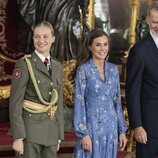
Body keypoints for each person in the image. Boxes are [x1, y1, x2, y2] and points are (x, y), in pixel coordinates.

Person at [9, 21, 64, 158]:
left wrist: (59, 135)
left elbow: (59, 103)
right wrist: (18, 137)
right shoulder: (24, 64)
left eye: (45, 36)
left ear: (53, 38)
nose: (41, 41)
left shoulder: (57, 66)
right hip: (30, 132)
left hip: (51, 132)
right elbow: (15, 103)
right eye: (36, 37)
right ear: (32, 39)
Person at [72, 29, 127, 158]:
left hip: (111, 129)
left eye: (105, 44)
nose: (103, 48)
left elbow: (117, 102)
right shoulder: (83, 70)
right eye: (98, 45)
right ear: (90, 47)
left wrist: (121, 130)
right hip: (91, 129)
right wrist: (83, 133)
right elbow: (79, 103)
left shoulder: (113, 70)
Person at [126, 2, 158, 157]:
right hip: (148, 128)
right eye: (154, 22)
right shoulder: (138, 51)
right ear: (147, 21)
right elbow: (133, 91)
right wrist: (137, 126)